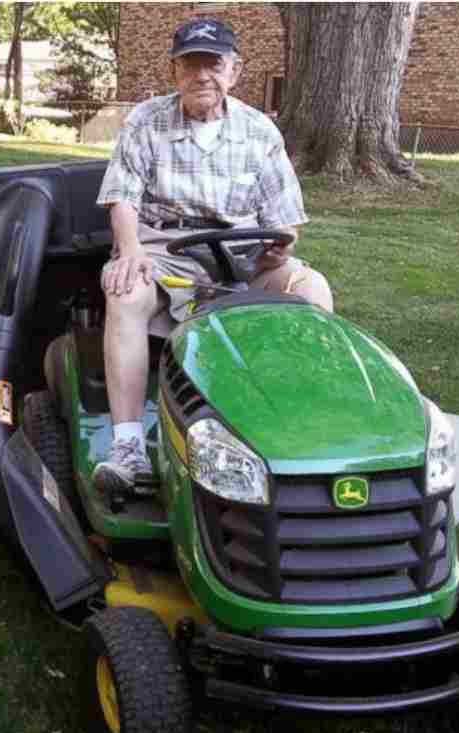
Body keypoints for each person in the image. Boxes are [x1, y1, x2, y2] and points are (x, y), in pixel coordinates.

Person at [91, 17, 334, 493]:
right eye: (190, 64)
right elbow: (122, 197)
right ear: (174, 71)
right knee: (124, 290)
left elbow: (287, 218)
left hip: (243, 257)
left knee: (312, 288)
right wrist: (131, 249)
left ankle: (295, 433)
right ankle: (127, 449)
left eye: (213, 63)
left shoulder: (260, 131)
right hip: (165, 249)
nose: (202, 75)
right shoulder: (146, 120)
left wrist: (278, 246)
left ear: (235, 71)